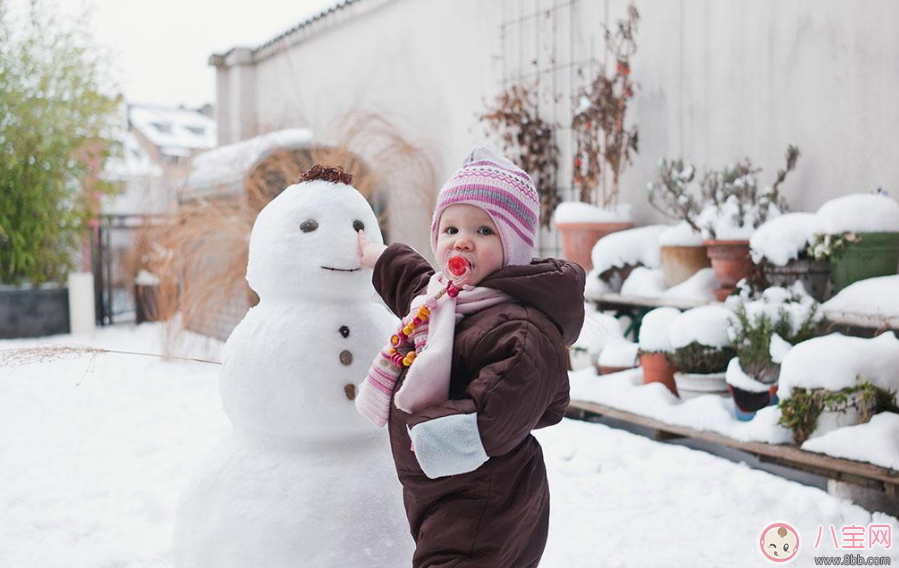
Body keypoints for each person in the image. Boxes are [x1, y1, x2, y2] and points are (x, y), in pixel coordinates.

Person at [356, 146, 585, 568]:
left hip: (487, 500)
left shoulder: (522, 328)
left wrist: (419, 432)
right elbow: (413, 279)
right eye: (451, 229)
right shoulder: (444, 300)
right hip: (442, 490)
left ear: (513, 248)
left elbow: (494, 418)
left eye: (484, 231)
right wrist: (376, 255)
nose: (462, 240)